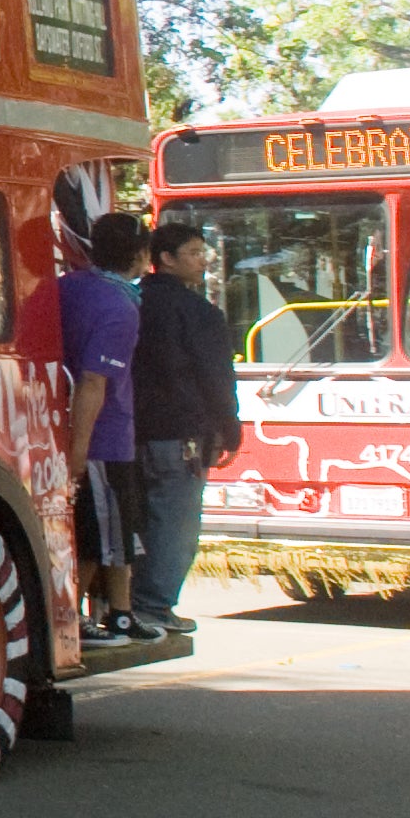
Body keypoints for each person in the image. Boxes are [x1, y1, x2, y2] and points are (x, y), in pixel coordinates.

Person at [133, 217, 233, 637]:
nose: (202, 261)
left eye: (202, 252)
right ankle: (154, 604)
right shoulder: (198, 312)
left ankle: (125, 603)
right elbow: (216, 377)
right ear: (166, 259)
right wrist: (229, 428)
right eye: (193, 253)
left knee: (139, 519)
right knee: (175, 522)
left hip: (130, 433)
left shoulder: (131, 301)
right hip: (181, 435)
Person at [65, 211, 151, 643]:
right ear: (140, 256)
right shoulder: (120, 308)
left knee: (118, 530)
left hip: (100, 430)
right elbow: (94, 381)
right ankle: (73, 619)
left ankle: (121, 612)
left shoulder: (69, 287)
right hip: (104, 434)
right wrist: (79, 449)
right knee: (97, 534)